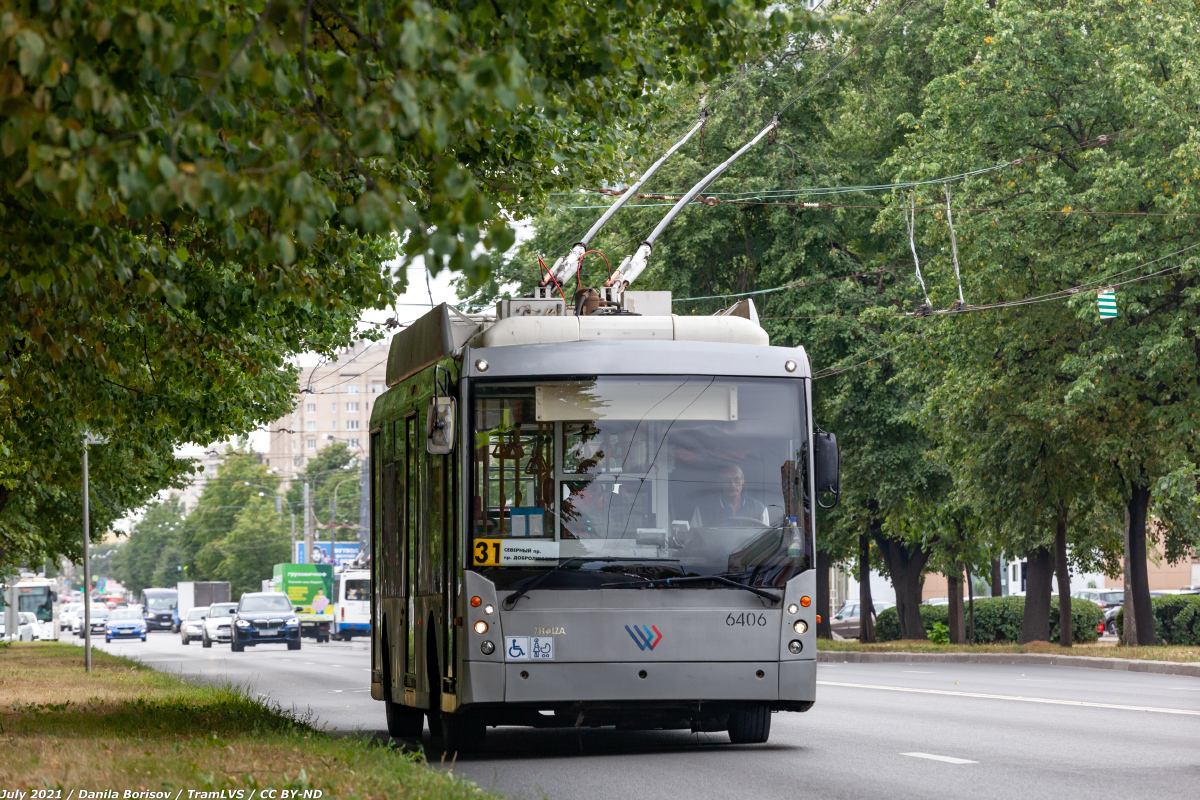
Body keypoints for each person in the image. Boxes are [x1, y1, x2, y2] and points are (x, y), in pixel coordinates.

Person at [691, 462, 769, 528]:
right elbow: (694, 541)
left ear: (743, 479)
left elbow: (766, 541)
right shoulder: (703, 510)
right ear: (719, 481)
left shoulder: (759, 510)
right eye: (726, 480)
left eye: (737, 479)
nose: (732, 485)